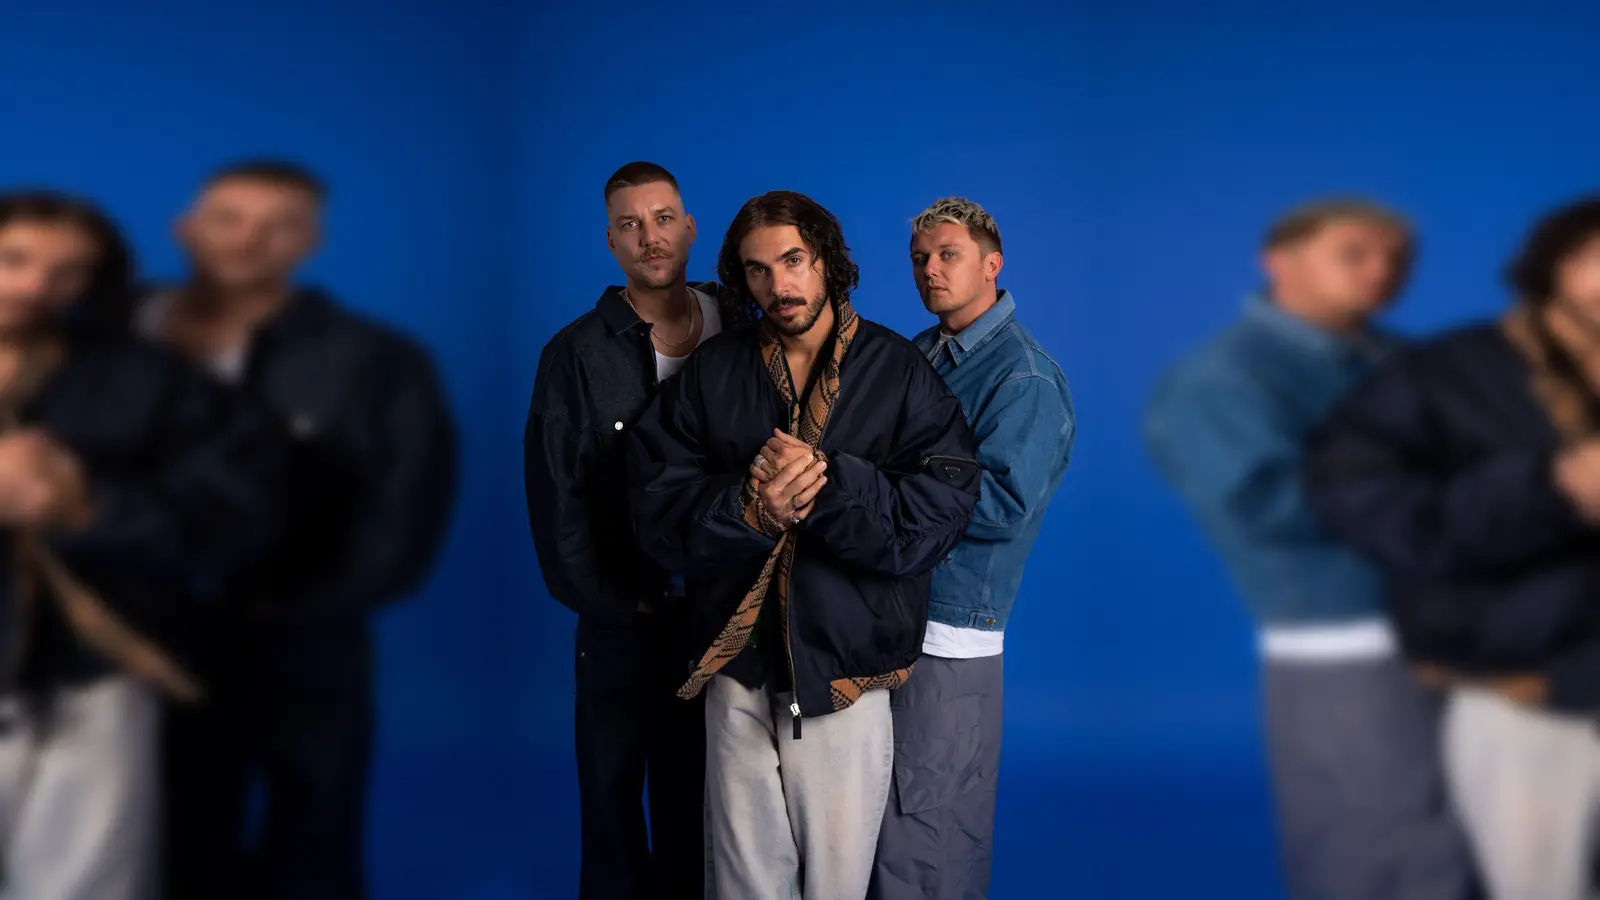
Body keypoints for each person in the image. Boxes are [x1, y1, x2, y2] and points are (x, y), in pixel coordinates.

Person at [626, 189, 981, 899]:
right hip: (736, 667)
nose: (778, 286)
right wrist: (753, 510)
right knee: (742, 884)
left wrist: (827, 485)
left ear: (825, 260)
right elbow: (654, 503)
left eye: (793, 261)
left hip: (844, 671)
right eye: (757, 270)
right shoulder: (716, 369)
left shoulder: (896, 370)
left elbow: (939, 511)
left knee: (835, 885)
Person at [1143, 198, 1480, 900]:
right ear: (1279, 261)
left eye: (1398, 258)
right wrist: (1481, 503)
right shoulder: (1222, 378)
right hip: (1350, 642)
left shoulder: (1400, 361)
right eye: (1354, 253)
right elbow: (1270, 505)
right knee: (1385, 847)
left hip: (1460, 629)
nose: (1382, 272)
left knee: (1464, 838)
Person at [141, 160, 458, 900]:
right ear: (186, 227)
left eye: (279, 224)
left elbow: (404, 507)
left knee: (312, 829)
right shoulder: (112, 332)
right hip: (137, 629)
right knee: (160, 831)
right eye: (228, 218)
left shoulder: (374, 359)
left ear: (311, 240)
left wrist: (307, 604)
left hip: (300, 632)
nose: (248, 240)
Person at [1305, 196, 1600, 900]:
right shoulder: (1441, 376)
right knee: (1542, 888)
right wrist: (1551, 484)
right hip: (1529, 698)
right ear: (1556, 267)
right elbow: (1375, 512)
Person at [0, 190, 287, 900]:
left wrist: (84, 509)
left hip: (96, 665)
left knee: (88, 881)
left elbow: (233, 518)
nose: (35, 285)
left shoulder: (144, 378)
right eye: (13, 259)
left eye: (67, 271)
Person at [524, 160, 740, 900]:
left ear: (691, 227)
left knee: (700, 798)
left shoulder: (739, 325)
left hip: (722, 613)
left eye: (663, 218)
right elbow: (556, 504)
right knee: (613, 802)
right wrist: (618, 604)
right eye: (630, 224)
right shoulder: (576, 354)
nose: (651, 237)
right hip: (625, 619)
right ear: (611, 242)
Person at [868, 197, 1074, 900]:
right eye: (919, 258)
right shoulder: (922, 353)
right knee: (890, 829)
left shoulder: (1023, 377)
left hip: (950, 630)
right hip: (893, 613)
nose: (930, 269)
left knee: (928, 833)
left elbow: (1003, 505)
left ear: (993, 264)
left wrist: (878, 490)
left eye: (948, 254)